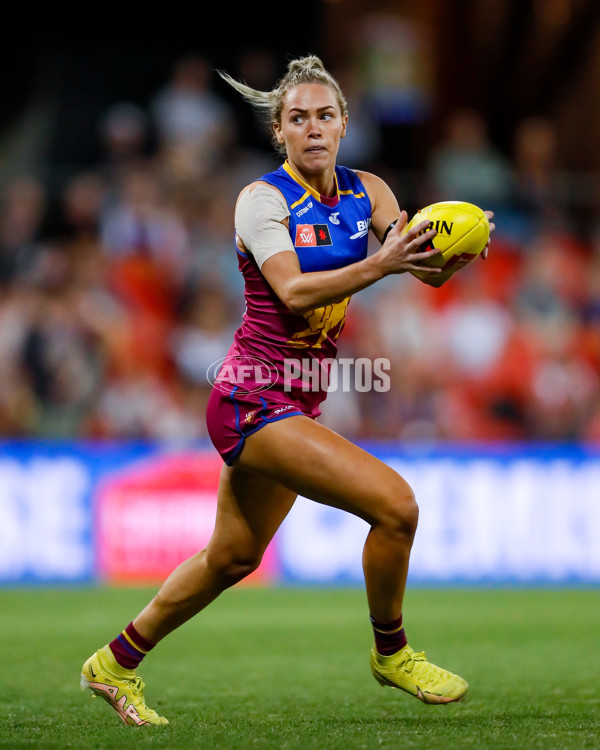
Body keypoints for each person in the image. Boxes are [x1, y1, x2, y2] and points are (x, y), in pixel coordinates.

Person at [80, 54, 494, 726]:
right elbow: (294, 289)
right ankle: (392, 653)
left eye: (324, 116)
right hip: (250, 398)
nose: (313, 128)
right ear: (280, 131)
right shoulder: (262, 201)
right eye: (298, 118)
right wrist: (381, 262)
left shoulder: (374, 193)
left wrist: (460, 244)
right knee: (397, 507)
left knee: (232, 557)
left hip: (296, 399)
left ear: (344, 123)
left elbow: (425, 273)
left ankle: (115, 662)